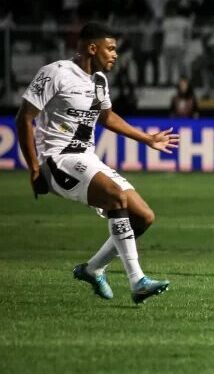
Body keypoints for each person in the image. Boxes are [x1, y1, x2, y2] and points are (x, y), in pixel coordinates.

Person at [15, 22, 178, 304]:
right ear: (93, 48)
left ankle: (93, 269)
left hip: (87, 158)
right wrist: (33, 167)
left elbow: (107, 117)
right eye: (111, 48)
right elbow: (24, 117)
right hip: (58, 159)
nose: (116, 54)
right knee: (116, 198)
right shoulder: (55, 73)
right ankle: (137, 280)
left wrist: (146, 139)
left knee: (144, 216)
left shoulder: (99, 81)